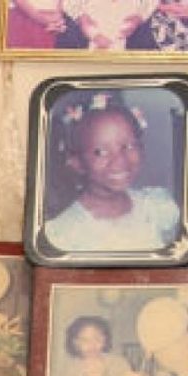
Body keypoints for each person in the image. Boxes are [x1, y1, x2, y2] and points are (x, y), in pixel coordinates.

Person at [43, 91, 181, 254]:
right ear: (76, 162)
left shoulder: (157, 206)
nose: (120, 161)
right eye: (100, 152)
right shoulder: (64, 233)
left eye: (129, 146)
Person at [52, 315, 148, 376]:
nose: (92, 345)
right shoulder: (70, 368)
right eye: (85, 340)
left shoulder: (118, 362)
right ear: (75, 343)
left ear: (105, 339)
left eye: (97, 339)